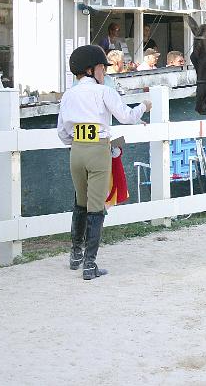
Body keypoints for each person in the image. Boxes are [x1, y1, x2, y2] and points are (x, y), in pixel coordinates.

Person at [57, 45, 151, 280]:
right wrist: (145, 106)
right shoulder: (103, 92)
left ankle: (75, 254)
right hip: (98, 151)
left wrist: (78, 142)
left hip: (76, 151)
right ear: (91, 70)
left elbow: (62, 134)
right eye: (102, 68)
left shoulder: (68, 95)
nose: (104, 73)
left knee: (80, 202)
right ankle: (90, 264)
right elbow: (127, 117)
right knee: (96, 206)